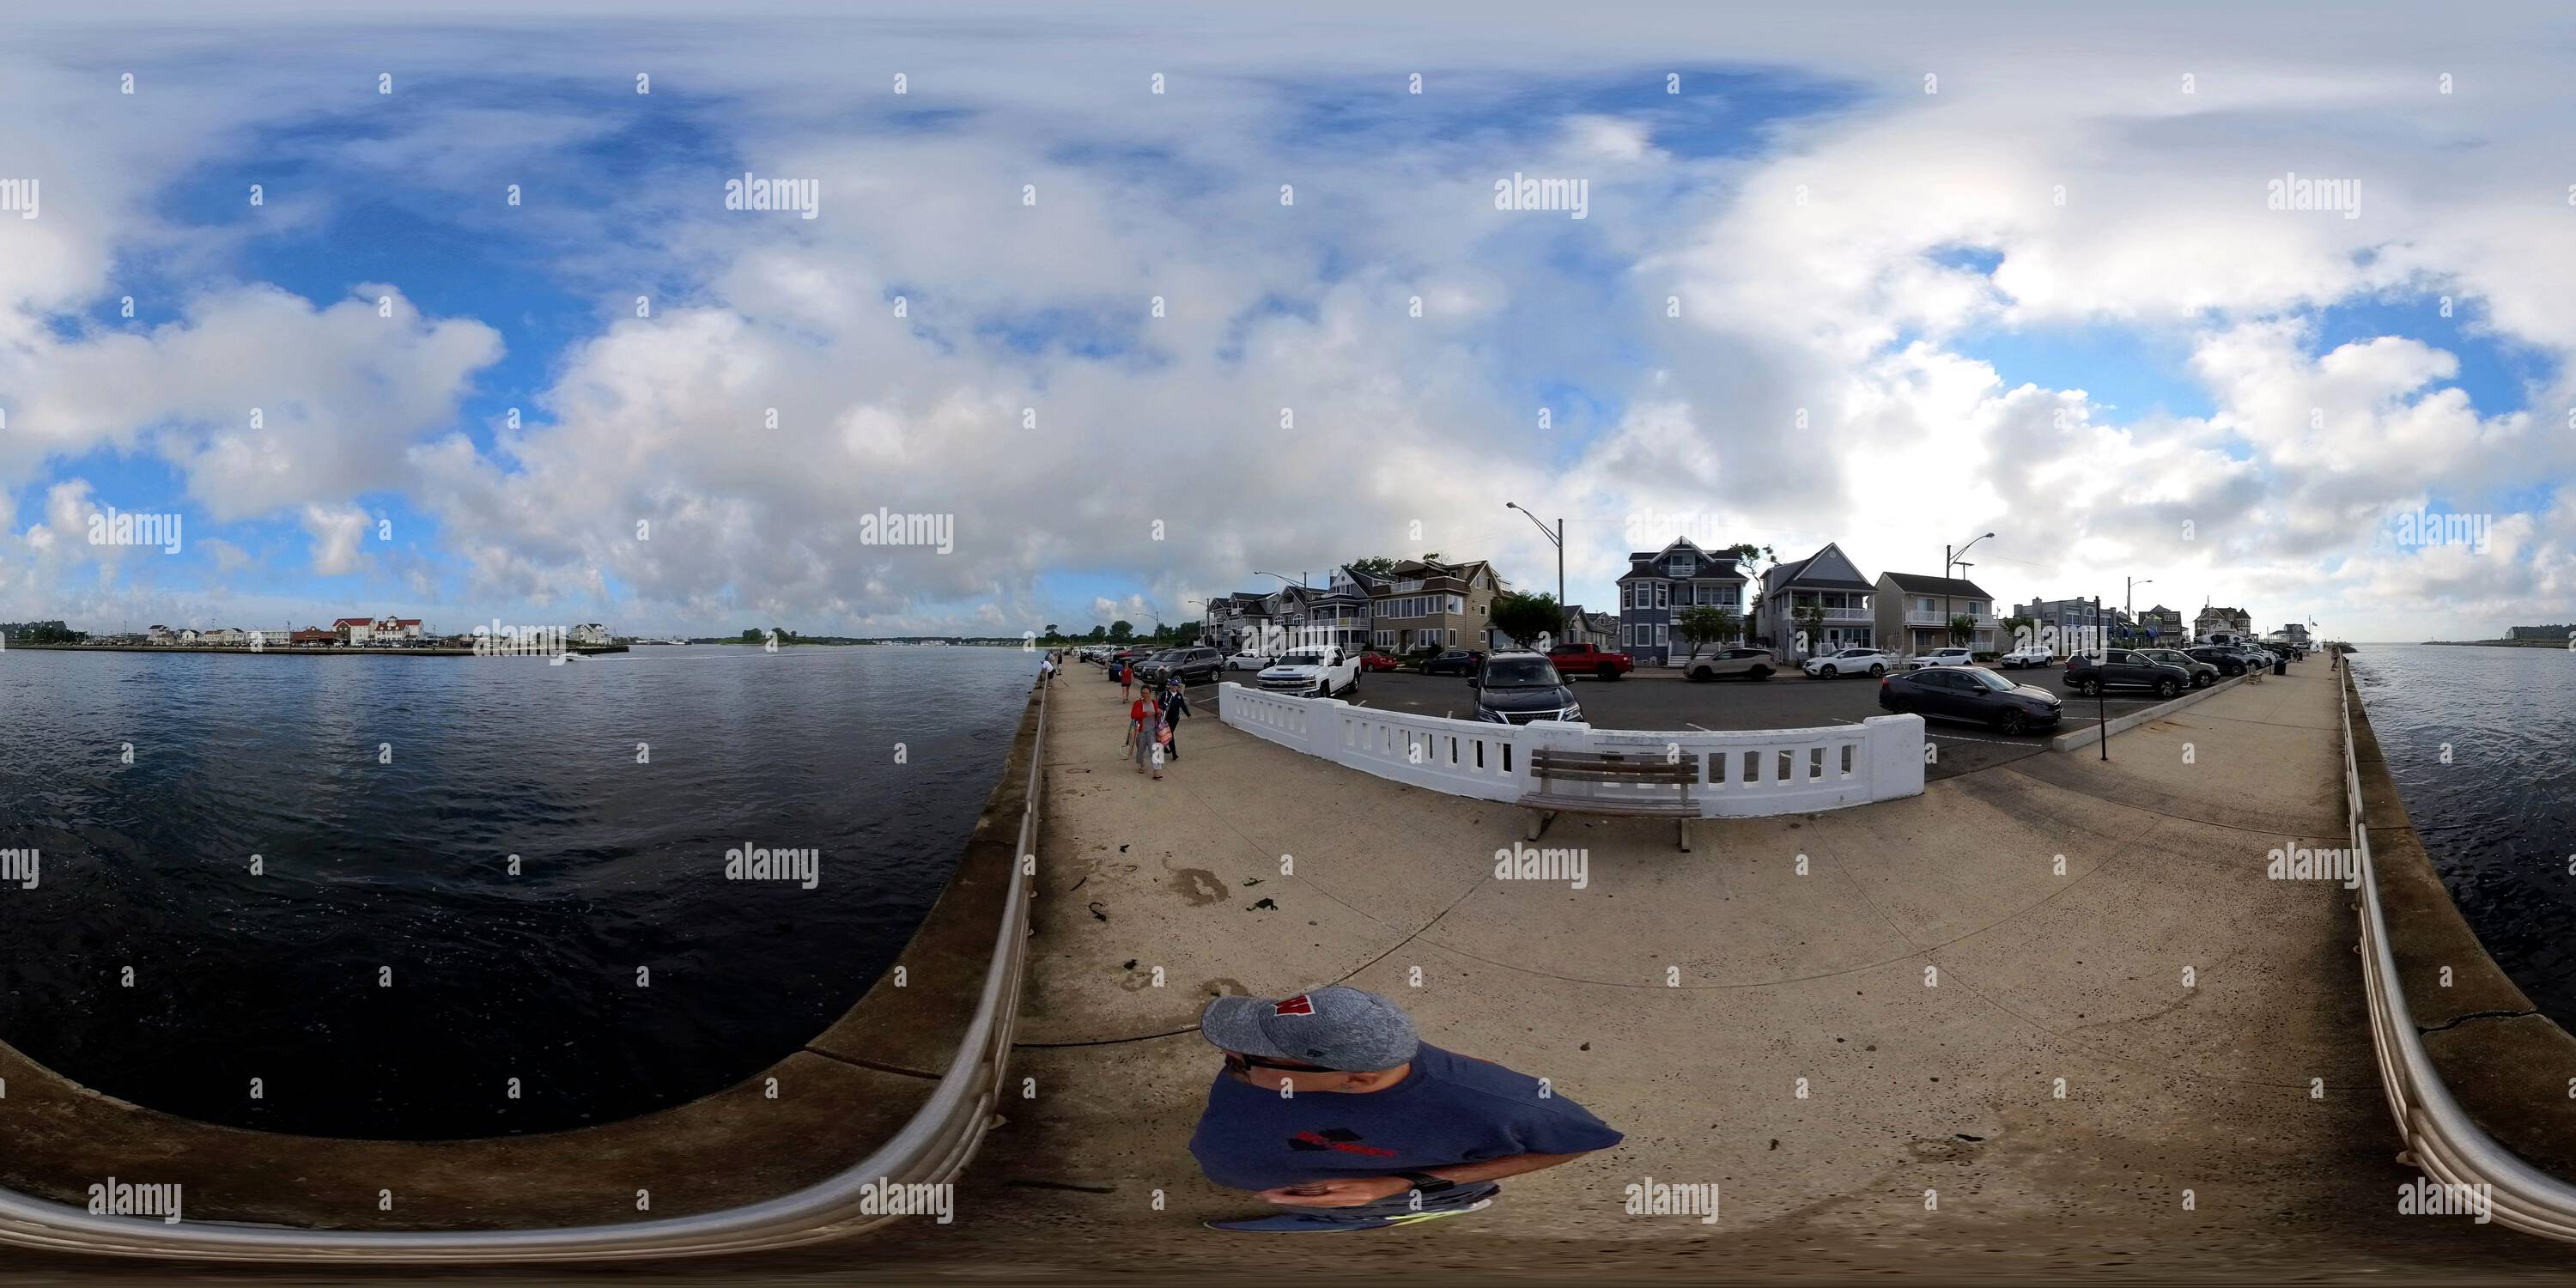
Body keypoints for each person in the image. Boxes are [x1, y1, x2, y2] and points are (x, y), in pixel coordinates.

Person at [1188, 987, 1621, 1233]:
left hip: (1346, 1187)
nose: (1230, 1053)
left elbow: (1573, 1143)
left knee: (1354, 1210)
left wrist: (1391, 1185)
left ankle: (1435, 1205)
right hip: (1276, 1162)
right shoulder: (1331, 1060)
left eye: (1242, 1058)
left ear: (1358, 1079)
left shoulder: (1502, 1106)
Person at [1157, 676, 1191, 762]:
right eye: (1173, 685)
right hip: (1166, 719)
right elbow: (1159, 704)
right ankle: (1174, 753)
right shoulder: (1166, 694)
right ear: (1170, 685)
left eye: (1176, 685)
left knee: (1168, 735)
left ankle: (1165, 746)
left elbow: (1183, 705)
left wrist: (1188, 714)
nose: (1174, 687)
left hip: (1175, 719)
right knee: (1170, 735)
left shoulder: (1179, 695)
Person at [1127, 690, 1157, 777]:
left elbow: (1157, 712)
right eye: (1143, 693)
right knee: (1141, 749)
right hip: (1141, 730)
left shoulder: (1154, 702)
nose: (1145, 695)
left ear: (1150, 694)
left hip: (1152, 730)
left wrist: (1159, 712)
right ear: (1141, 693)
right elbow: (1133, 715)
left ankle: (1156, 771)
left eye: (1147, 693)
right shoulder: (1138, 703)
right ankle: (1142, 764)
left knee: (1154, 749)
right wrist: (1145, 714)